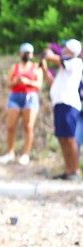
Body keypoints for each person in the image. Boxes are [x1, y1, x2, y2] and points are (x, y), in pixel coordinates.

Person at [40, 38, 83, 180]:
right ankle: (68, 170)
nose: (63, 49)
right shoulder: (64, 70)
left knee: (70, 138)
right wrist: (46, 71)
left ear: (70, 50)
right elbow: (53, 84)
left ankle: (75, 171)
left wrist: (48, 53)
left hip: (69, 104)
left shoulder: (75, 63)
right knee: (62, 138)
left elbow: (56, 59)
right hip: (59, 104)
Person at [0, 43, 43, 166]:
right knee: (10, 127)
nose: (26, 55)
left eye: (29, 53)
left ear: (32, 54)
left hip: (30, 97)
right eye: (25, 52)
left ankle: (25, 154)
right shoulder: (15, 67)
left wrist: (27, 81)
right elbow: (8, 84)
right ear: (20, 53)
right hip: (15, 96)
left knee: (28, 127)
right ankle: (10, 153)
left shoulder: (36, 67)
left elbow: (39, 84)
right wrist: (16, 81)